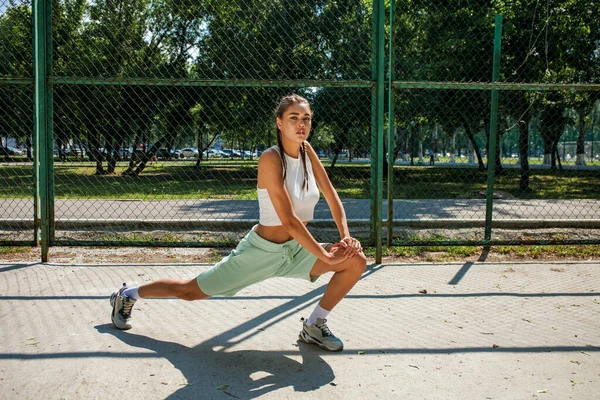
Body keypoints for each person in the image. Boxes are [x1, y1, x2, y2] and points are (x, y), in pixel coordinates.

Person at [110, 94, 367, 352]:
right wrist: (326, 256)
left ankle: (314, 325)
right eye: (293, 118)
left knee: (355, 260)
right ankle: (128, 294)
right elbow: (288, 220)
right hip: (261, 252)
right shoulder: (270, 158)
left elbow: (332, 197)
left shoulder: (308, 151)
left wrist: (345, 237)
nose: (301, 124)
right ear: (279, 123)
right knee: (190, 291)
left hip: (296, 250)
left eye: (306, 118)